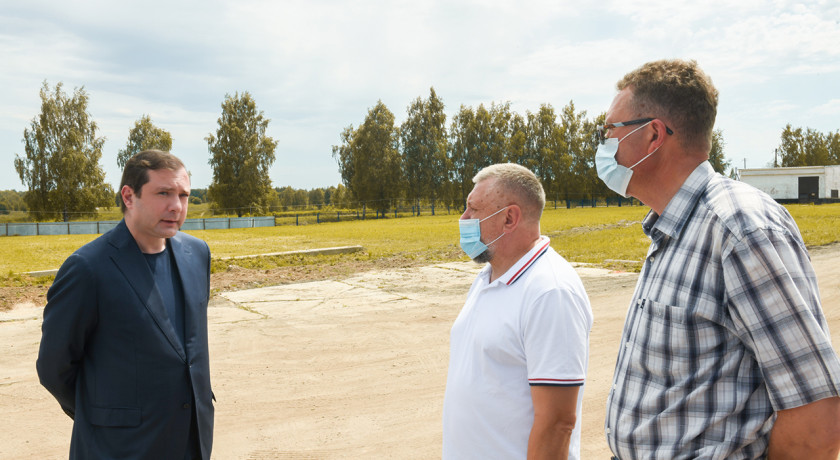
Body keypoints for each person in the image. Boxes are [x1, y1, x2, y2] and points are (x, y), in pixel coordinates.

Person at [599, 59, 840, 459]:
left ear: (653, 134)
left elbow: (818, 420)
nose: (604, 144)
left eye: (610, 130)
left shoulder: (739, 228)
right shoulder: (673, 225)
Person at [37, 150, 214, 459]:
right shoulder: (88, 268)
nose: (177, 206)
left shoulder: (197, 254)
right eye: (163, 193)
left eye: (183, 195)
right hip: (119, 448)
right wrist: (104, 417)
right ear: (129, 197)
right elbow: (54, 367)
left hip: (190, 440)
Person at [442, 163, 593, 460]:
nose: (464, 218)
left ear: (509, 218)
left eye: (473, 209)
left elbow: (557, 423)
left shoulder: (550, 292)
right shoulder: (490, 275)